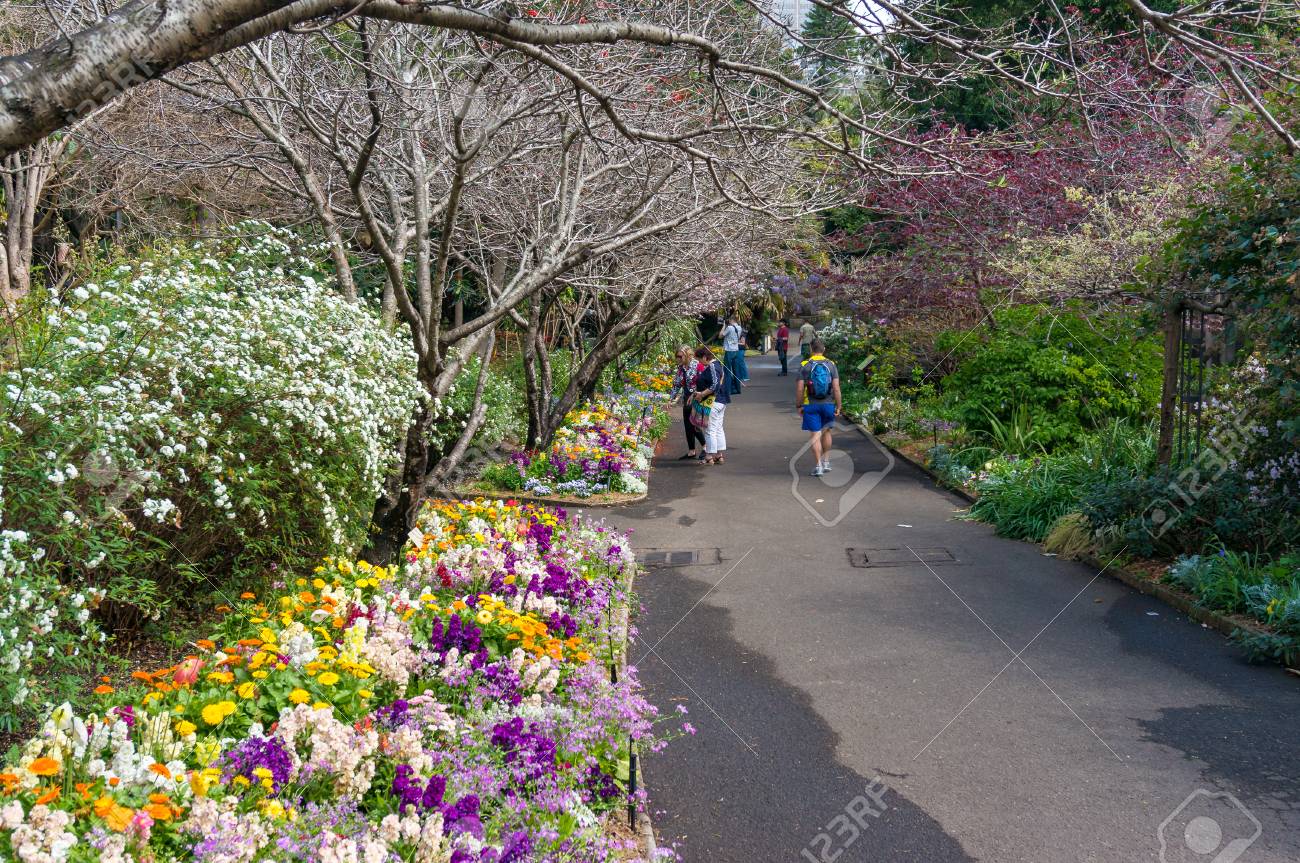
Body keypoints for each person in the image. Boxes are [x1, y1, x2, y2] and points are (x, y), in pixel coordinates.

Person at [795, 338, 841, 477]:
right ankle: (826, 462)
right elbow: (836, 388)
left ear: (811, 349)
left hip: (811, 404)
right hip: (828, 404)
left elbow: (799, 388)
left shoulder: (805, 364)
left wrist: (799, 405)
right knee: (827, 432)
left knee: (815, 435)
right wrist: (838, 406)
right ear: (824, 349)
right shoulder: (831, 364)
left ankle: (818, 466)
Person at [694, 344, 731, 465]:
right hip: (722, 401)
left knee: (710, 429)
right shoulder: (719, 365)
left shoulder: (712, 367)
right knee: (718, 428)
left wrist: (702, 394)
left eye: (699, 359)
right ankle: (719, 455)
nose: (700, 362)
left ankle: (709, 456)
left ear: (705, 357)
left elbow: (715, 385)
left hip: (714, 402)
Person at [669, 345, 705, 461]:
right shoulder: (681, 368)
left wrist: (698, 394)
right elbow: (677, 384)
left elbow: (703, 382)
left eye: (680, 356)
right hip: (687, 397)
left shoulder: (697, 366)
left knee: (694, 424)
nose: (678, 358)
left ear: (687, 355)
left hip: (697, 397)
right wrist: (671, 398)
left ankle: (705, 446)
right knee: (687, 425)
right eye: (677, 356)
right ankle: (691, 451)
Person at [718, 316, 745, 395]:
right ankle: (738, 389)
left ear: (731, 320)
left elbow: (720, 336)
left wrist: (723, 326)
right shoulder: (739, 327)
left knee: (727, 371)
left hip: (729, 351)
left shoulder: (729, 328)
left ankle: (728, 390)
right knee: (736, 370)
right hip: (736, 350)